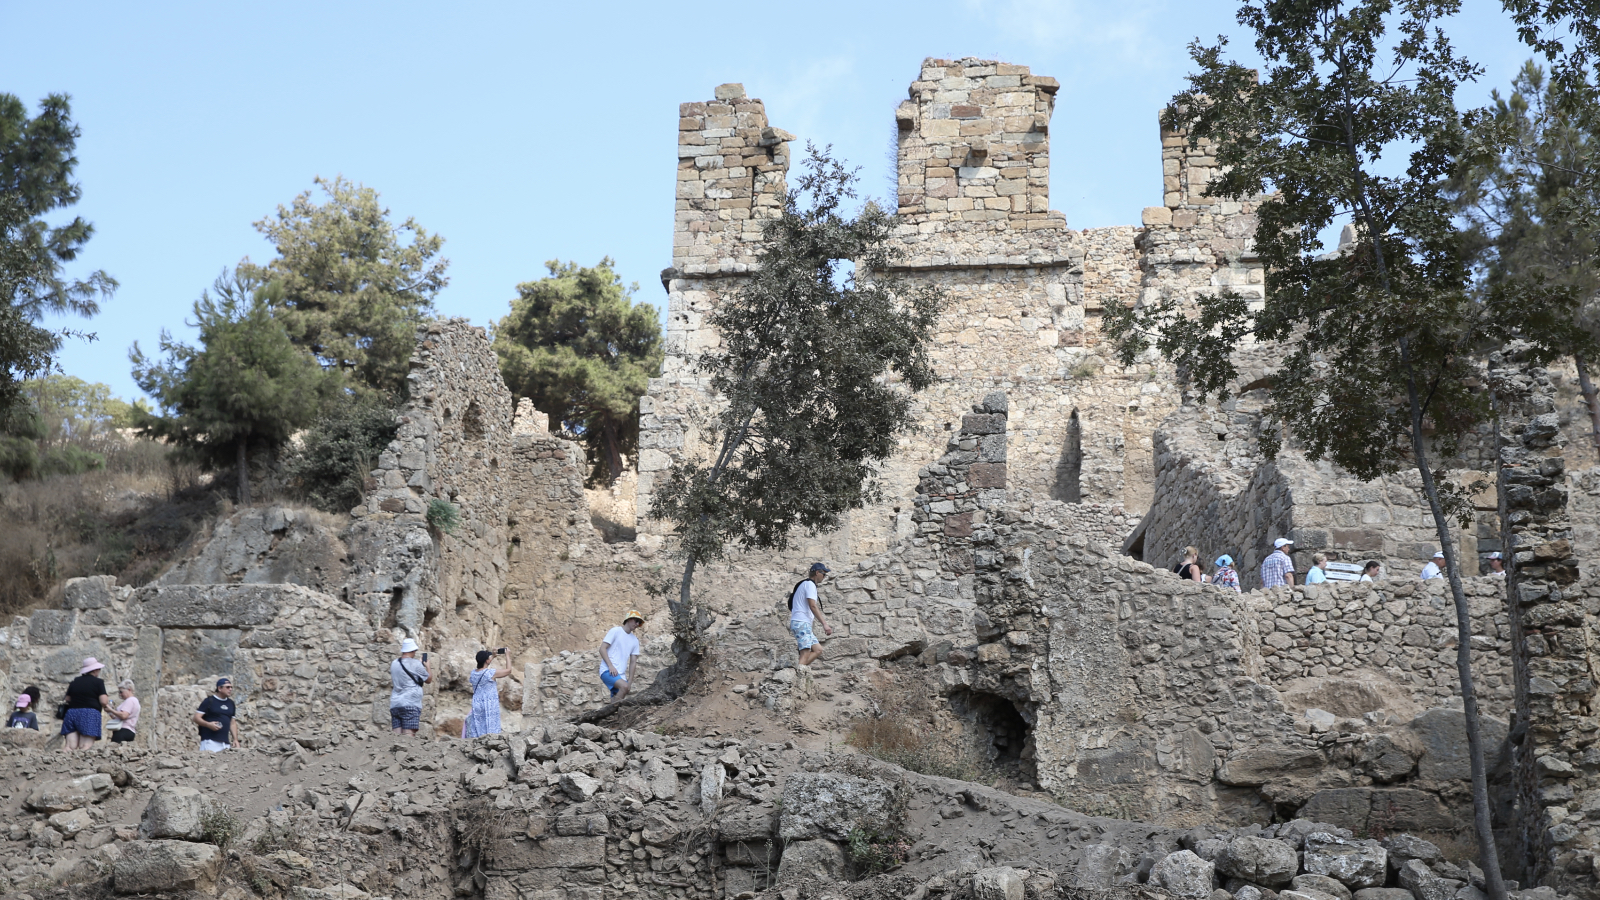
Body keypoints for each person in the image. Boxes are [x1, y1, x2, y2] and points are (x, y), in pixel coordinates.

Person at [60, 657, 111, 751]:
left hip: (72, 713)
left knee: (69, 746)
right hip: (89, 714)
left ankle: (63, 759)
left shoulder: (75, 682)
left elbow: (67, 699)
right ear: (94, 670)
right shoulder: (98, 682)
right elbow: (103, 701)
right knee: (85, 746)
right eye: (99, 669)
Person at [790, 563, 834, 667]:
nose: (824, 577)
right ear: (817, 572)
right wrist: (824, 624)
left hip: (803, 623)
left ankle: (799, 670)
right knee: (805, 653)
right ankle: (797, 674)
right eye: (824, 574)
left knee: (818, 650)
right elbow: (813, 606)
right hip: (801, 623)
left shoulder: (806, 584)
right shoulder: (810, 584)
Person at [463, 649, 512, 739]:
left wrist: (492, 656)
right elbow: (508, 670)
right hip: (489, 704)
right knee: (490, 728)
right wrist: (507, 655)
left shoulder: (473, 673)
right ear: (487, 660)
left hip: (477, 703)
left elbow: (484, 665)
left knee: (478, 726)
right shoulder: (490, 673)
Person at [390, 638, 432, 736]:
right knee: (408, 736)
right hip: (410, 703)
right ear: (413, 650)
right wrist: (428, 666)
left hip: (395, 703)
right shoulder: (415, 664)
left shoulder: (394, 663)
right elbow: (428, 679)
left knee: (396, 736)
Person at [599, 612, 644, 700]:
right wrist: (610, 666)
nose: (637, 624)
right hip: (608, 670)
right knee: (624, 687)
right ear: (629, 619)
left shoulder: (635, 640)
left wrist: (630, 681)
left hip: (621, 674)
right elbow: (602, 649)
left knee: (616, 700)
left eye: (639, 622)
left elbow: (633, 662)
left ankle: (611, 708)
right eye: (636, 621)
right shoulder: (615, 631)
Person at [193, 678, 239, 752]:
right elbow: (196, 718)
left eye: (231, 687)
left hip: (225, 743)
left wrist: (235, 739)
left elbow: (232, 723)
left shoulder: (231, 703)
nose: (230, 689)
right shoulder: (209, 701)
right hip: (210, 742)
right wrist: (208, 724)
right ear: (219, 688)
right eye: (227, 687)